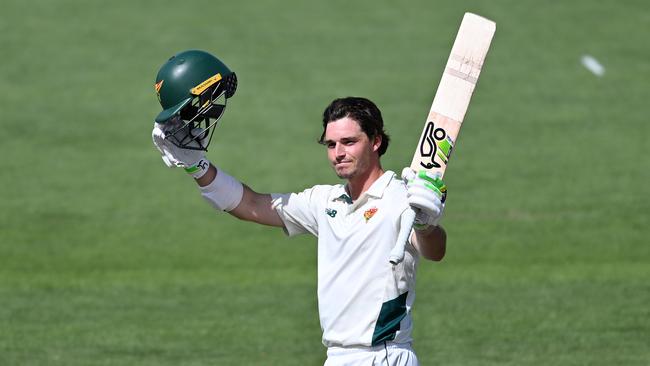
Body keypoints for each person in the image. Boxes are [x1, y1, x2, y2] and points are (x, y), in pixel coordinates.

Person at [152, 50, 447, 366]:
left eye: (349, 142)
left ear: (375, 141)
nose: (338, 153)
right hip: (337, 357)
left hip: (384, 356)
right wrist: (197, 167)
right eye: (331, 145)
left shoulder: (402, 198)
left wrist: (425, 224)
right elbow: (250, 204)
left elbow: (434, 250)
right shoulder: (324, 202)